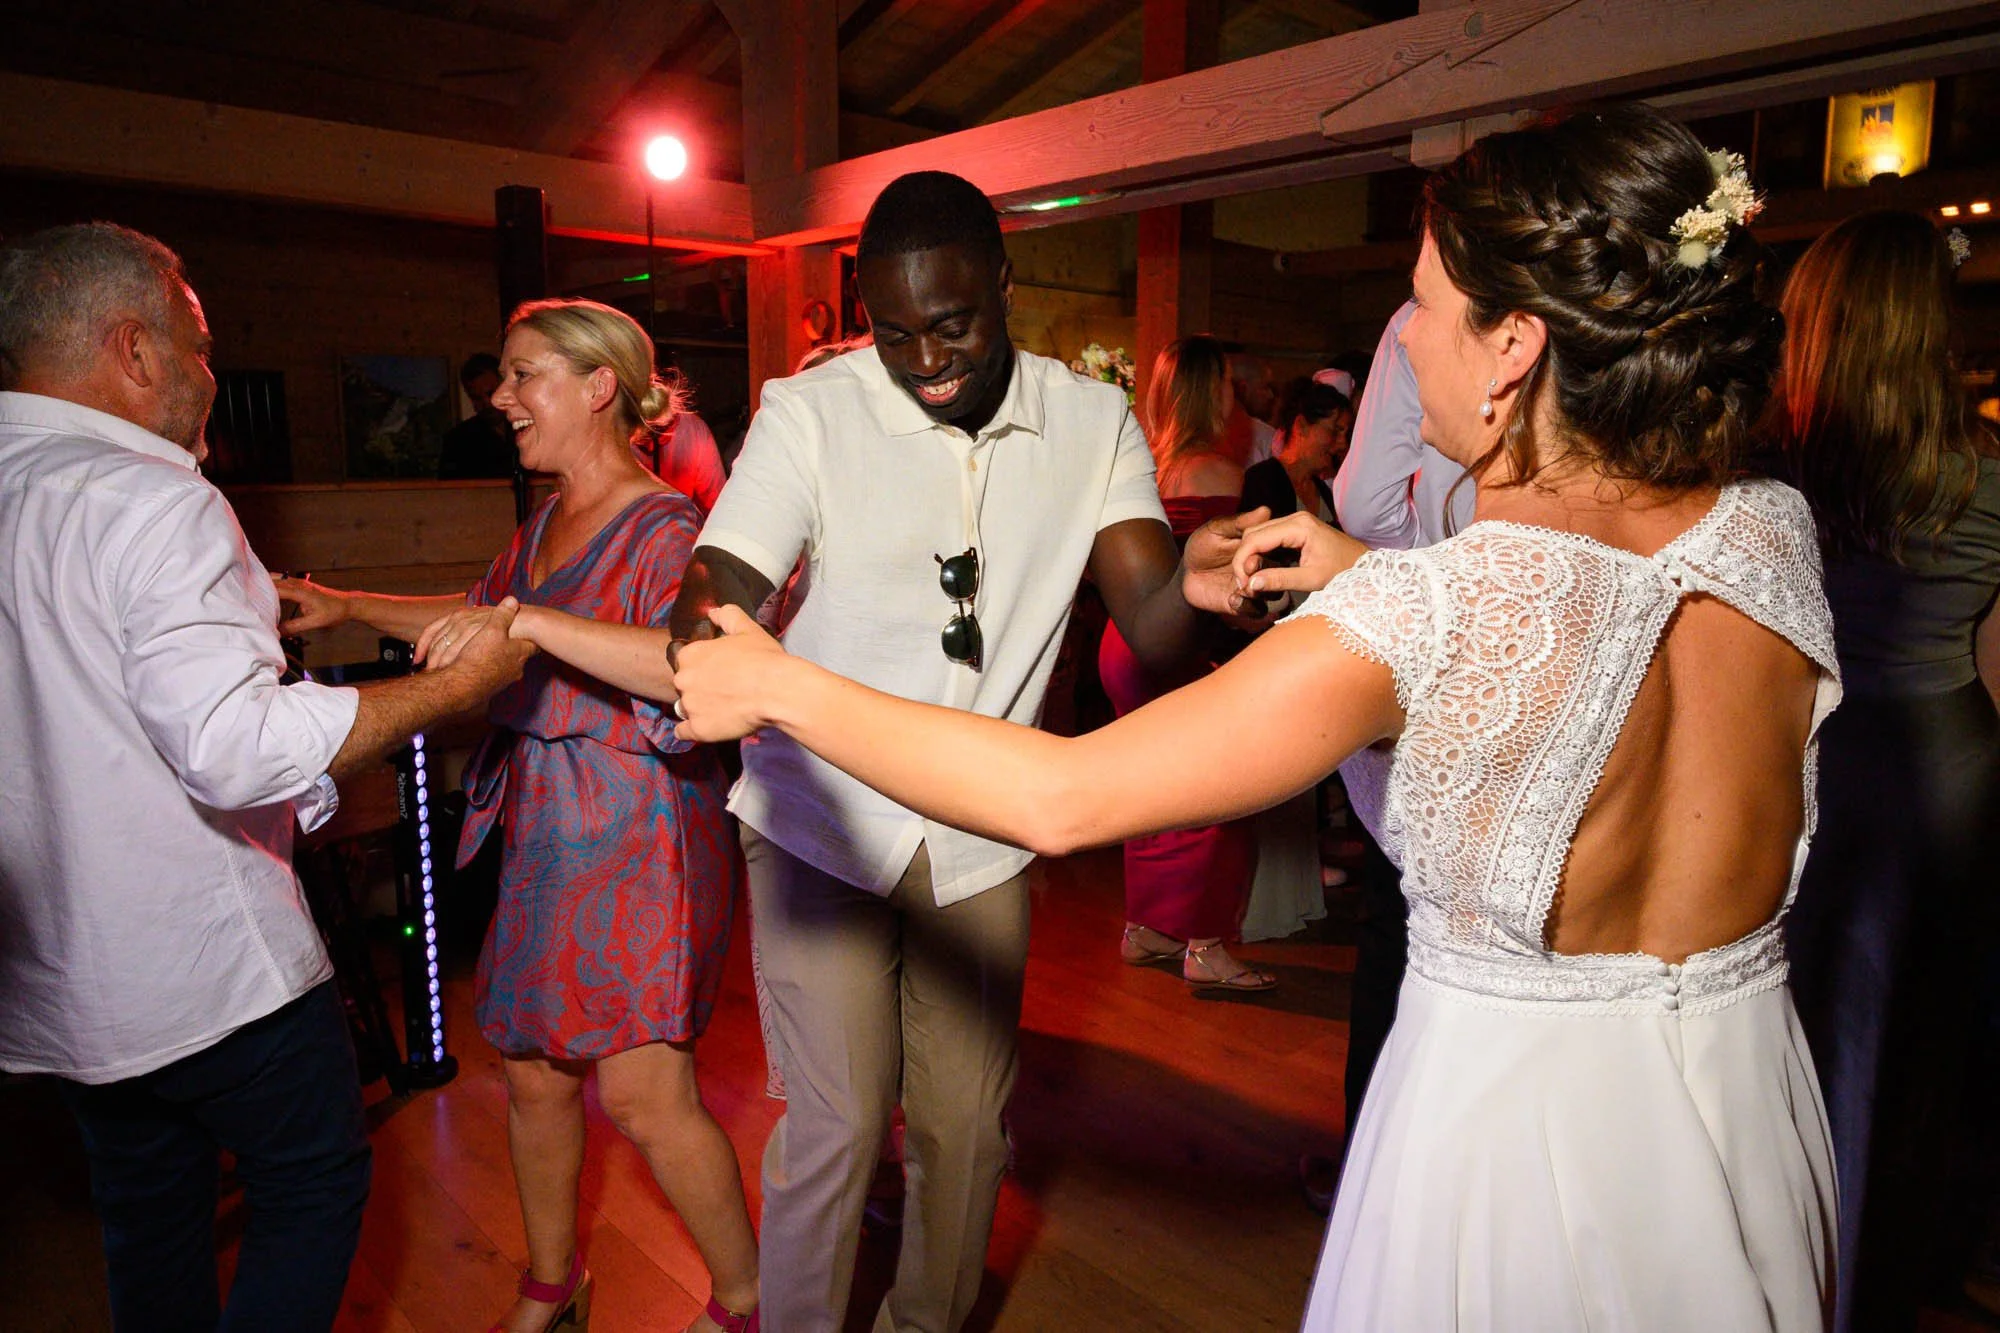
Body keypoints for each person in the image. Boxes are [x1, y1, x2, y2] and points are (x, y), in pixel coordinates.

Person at [668, 106, 1843, 1330]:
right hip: (1735, 1098)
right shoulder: (1764, 533)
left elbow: (1060, 798)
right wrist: (1356, 575)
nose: (1403, 340)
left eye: (1419, 307)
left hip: (1514, 1142)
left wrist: (781, 684)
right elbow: (1586, 622)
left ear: (1510, 350)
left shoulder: (1418, 614)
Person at [446, 170, 1244, 1333]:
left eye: (954, 326)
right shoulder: (813, 411)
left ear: (1005, 285)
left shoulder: (1089, 422)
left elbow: (1152, 625)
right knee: (836, 1124)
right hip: (818, 830)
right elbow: (725, 568)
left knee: (966, 1132)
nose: (925, 361)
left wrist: (1205, 583)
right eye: (894, 331)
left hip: (983, 835)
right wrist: (706, 611)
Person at [0, 222, 531, 1333]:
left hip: (61, 977)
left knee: (150, 1218)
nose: (209, 374)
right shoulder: (146, 497)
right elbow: (229, 745)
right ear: (133, 350)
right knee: (313, 1182)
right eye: (198, 348)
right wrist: (450, 689)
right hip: (201, 964)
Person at [274, 299, 758, 1333]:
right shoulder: (540, 524)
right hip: (546, 828)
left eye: (521, 373)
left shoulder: (674, 529)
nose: (499, 396)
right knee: (534, 1078)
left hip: (641, 833)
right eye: (502, 376)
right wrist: (346, 601)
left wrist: (530, 622)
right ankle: (553, 1284)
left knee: (641, 1095)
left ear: (597, 387)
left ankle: (749, 1303)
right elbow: (481, 623)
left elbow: (689, 672)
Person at [1771, 210, 2000, 1333]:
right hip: (1951, 767)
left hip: (1816, 764)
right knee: (1912, 1041)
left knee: (1805, 1041)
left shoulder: (1770, 477)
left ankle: (1800, 1275)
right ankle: (1881, 1277)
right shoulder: (1987, 471)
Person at [1107, 333, 1274, 990]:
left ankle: (1145, 928)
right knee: (1229, 788)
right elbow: (1236, 588)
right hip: (1184, 642)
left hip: (1126, 642)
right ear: (1213, 393)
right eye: (1229, 384)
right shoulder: (1223, 477)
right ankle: (1205, 945)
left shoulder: (1147, 468)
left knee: (1149, 790)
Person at [439, 351, 519, 479]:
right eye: (476, 398)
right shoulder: (458, 442)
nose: (486, 403)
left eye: (490, 393)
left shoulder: (528, 428)